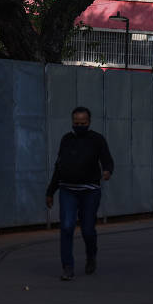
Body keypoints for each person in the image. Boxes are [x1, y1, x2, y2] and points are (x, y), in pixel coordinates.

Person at [45, 106, 114, 281]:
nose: (79, 126)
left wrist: (107, 171)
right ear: (72, 122)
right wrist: (51, 191)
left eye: (83, 123)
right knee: (67, 227)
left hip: (90, 191)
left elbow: (107, 159)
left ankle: (91, 255)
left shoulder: (97, 139)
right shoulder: (66, 139)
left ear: (89, 122)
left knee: (87, 229)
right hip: (68, 190)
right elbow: (58, 166)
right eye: (76, 123)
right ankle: (67, 266)